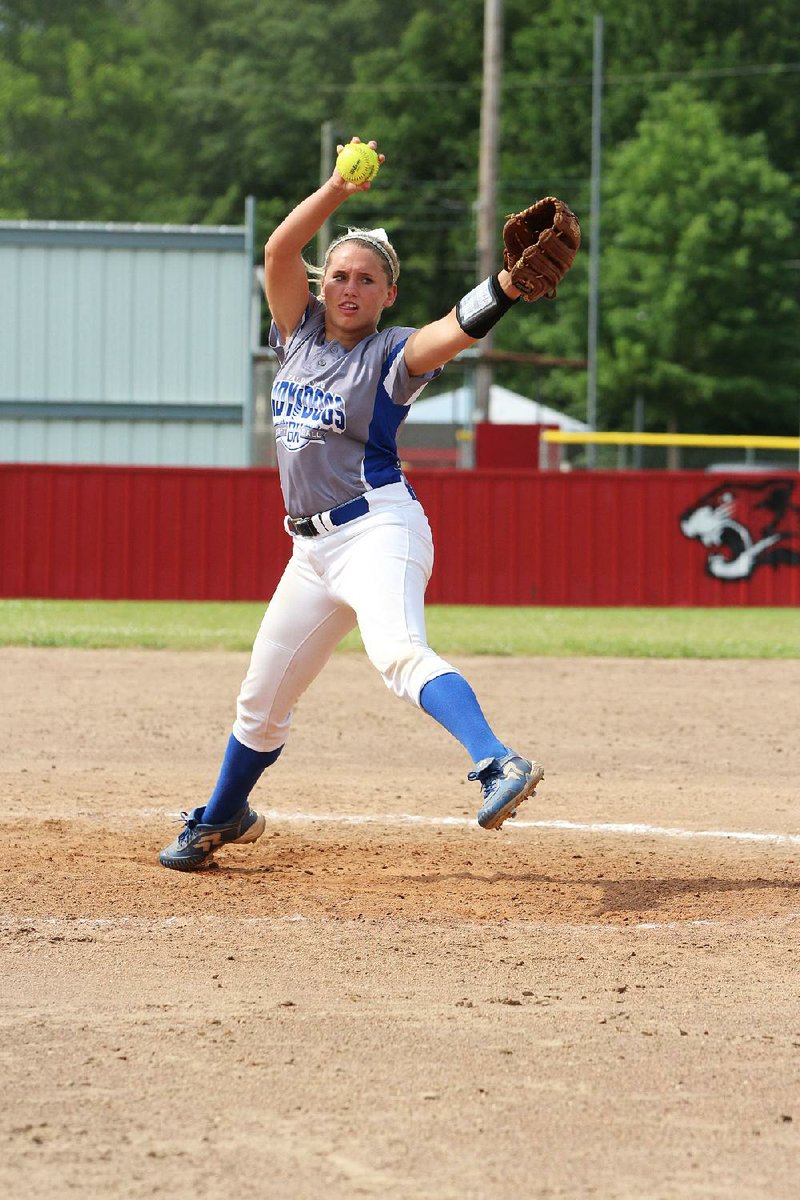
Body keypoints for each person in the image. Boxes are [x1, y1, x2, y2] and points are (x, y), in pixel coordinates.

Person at [159, 137, 544, 871]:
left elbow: (451, 333)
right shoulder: (296, 334)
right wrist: (337, 186)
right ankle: (222, 816)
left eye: (367, 279)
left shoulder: (390, 355)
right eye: (339, 274)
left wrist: (505, 287)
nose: (349, 287)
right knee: (260, 702)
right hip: (309, 552)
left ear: (387, 295)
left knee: (397, 652)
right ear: (322, 283)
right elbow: (278, 250)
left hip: (377, 530)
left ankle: (498, 763)